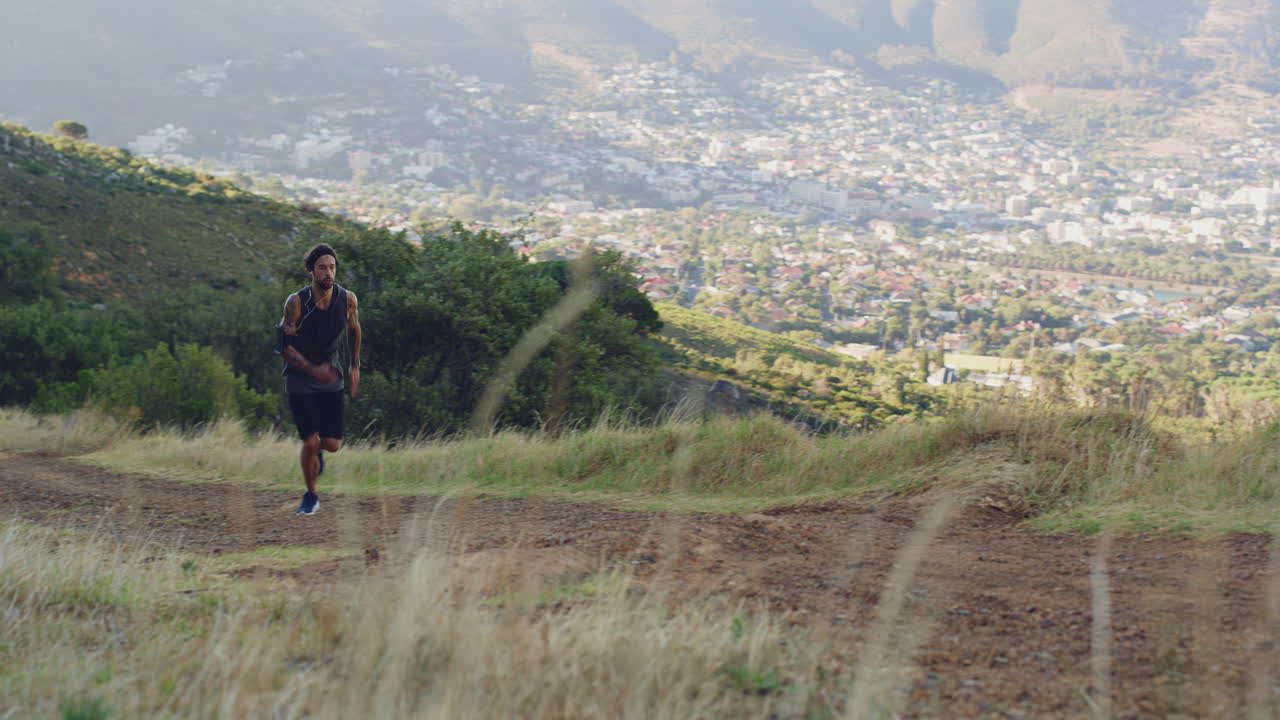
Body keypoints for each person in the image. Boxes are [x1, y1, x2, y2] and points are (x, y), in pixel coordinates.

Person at [276, 243, 361, 514]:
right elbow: (284, 348)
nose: (328, 273)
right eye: (322, 268)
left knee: (332, 445)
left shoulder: (347, 299)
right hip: (300, 377)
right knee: (310, 441)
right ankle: (311, 495)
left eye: (332, 267)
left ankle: (317, 454)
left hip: (331, 374)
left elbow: (355, 330)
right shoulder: (296, 302)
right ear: (311, 271)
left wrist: (354, 366)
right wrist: (313, 370)